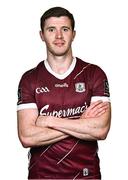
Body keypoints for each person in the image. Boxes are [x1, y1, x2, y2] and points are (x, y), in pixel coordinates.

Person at [17, 6, 111, 179]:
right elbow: (27, 137)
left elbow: (100, 129)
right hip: (41, 176)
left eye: (65, 29)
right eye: (51, 29)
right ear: (42, 35)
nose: (58, 36)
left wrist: (49, 121)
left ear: (73, 34)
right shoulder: (29, 79)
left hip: (86, 175)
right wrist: (81, 123)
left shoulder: (94, 73)